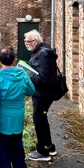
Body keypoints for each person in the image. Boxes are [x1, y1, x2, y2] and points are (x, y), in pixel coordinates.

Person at [0, 46, 35, 168]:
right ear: (14, 59)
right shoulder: (22, 74)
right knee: (17, 144)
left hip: (3, 118)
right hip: (17, 116)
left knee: (2, 148)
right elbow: (31, 91)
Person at [24, 29, 59, 161]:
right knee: (42, 119)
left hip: (43, 93)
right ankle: (49, 147)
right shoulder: (42, 51)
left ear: (37, 41)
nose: (27, 43)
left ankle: (42, 152)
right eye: (25, 41)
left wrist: (27, 77)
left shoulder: (42, 54)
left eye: (29, 41)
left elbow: (42, 77)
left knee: (39, 120)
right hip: (45, 92)